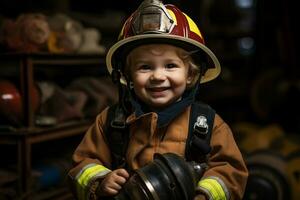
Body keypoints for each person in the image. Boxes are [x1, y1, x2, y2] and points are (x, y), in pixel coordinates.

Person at [67, 0, 248, 199]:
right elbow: (82, 165)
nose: (158, 76)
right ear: (127, 76)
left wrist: (206, 194)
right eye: (145, 67)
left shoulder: (208, 125)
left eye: (170, 65)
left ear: (191, 74)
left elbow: (230, 171)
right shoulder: (110, 122)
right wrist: (100, 181)